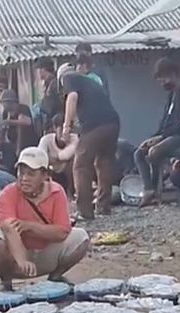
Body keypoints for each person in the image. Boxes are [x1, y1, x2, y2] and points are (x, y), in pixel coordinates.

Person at [0, 147, 91, 290]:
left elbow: (62, 232)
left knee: (81, 237)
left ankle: (55, 277)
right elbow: (9, 229)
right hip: (17, 257)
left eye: (31, 174)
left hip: (46, 253)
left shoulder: (57, 192)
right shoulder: (8, 193)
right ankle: (6, 283)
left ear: (44, 175)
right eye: (21, 173)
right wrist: (21, 259)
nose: (24, 178)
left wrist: (29, 226)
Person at [134, 57, 180, 206]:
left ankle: (161, 189)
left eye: (163, 79)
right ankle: (149, 190)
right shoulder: (172, 95)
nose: (162, 83)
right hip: (168, 135)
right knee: (139, 152)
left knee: (154, 152)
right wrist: (155, 136)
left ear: (172, 74)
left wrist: (160, 139)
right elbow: (165, 122)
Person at [61, 63, 121, 221]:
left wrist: (66, 126)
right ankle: (103, 206)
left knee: (81, 166)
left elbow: (72, 97)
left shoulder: (69, 77)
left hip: (95, 125)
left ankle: (85, 211)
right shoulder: (91, 82)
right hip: (113, 122)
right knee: (105, 162)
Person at [38, 114, 77, 193]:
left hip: (68, 173)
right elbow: (41, 158)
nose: (65, 133)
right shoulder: (46, 139)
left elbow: (66, 155)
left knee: (74, 162)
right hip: (52, 172)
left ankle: (71, 193)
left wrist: (54, 158)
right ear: (55, 128)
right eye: (62, 129)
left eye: (68, 130)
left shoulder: (75, 139)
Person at [0, 88, 36, 161]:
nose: (3, 105)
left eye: (4, 103)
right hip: (12, 143)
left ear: (10, 102)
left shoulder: (22, 108)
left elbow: (26, 122)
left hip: (27, 143)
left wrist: (9, 122)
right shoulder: (5, 113)